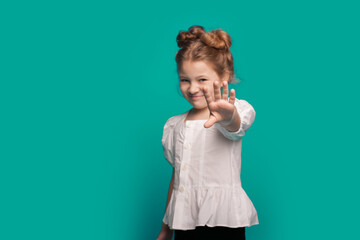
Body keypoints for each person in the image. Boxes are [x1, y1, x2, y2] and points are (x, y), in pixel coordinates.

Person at [156, 25, 259, 240]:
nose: (192, 89)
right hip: (184, 222)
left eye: (201, 80)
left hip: (224, 221)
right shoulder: (174, 126)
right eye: (185, 79)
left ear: (225, 76)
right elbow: (177, 180)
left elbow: (235, 126)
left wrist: (229, 117)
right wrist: (166, 229)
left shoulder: (235, 110)